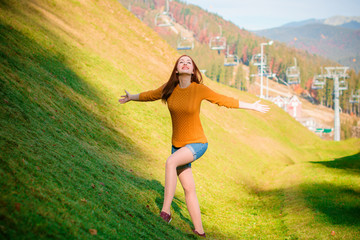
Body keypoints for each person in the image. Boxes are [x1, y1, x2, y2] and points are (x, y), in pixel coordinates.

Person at [119, 55, 269, 237]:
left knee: (170, 163)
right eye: (181, 62)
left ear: (192, 71)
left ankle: (165, 212)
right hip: (178, 145)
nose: (185, 64)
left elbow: (223, 100)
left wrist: (251, 106)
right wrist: (131, 97)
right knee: (189, 188)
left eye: (188, 62)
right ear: (176, 70)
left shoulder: (199, 89)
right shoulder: (170, 89)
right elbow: (150, 95)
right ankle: (200, 232)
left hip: (197, 143)